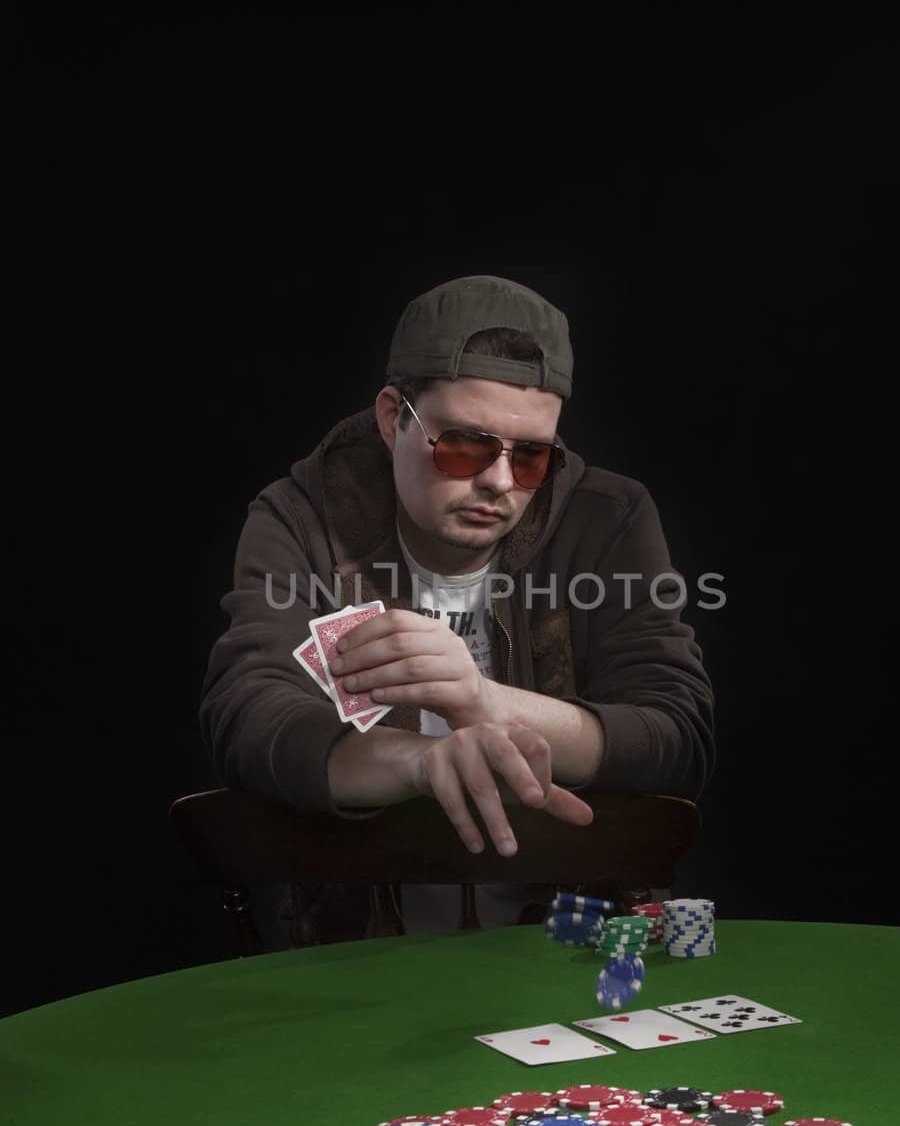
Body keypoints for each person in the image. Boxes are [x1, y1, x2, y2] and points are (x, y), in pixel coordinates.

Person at [198, 273, 715, 945]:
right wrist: (415, 761)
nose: (499, 482)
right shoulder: (301, 517)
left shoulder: (608, 518)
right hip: (352, 950)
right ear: (393, 419)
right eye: (465, 445)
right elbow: (247, 717)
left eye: (531, 456)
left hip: (568, 944)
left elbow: (677, 734)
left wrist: (487, 701)